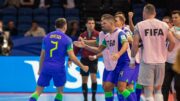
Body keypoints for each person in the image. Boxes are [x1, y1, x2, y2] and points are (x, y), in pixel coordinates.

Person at [75, 14, 135, 101]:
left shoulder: (120, 33)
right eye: (101, 23)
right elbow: (99, 49)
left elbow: (125, 44)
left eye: (104, 23)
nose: (101, 25)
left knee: (121, 88)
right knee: (107, 87)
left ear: (111, 23)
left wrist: (118, 54)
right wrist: (84, 46)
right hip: (114, 64)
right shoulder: (106, 36)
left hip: (125, 63)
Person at [29, 18, 88, 101]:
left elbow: (42, 56)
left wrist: (40, 69)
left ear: (55, 26)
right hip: (58, 68)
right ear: (65, 26)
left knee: (38, 91)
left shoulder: (46, 37)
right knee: (59, 92)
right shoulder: (67, 39)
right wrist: (82, 66)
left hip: (46, 67)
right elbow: (72, 57)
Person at [130, 4, 175, 101]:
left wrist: (132, 60)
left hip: (147, 61)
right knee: (158, 89)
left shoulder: (140, 25)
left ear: (144, 13)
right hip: (161, 62)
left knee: (148, 90)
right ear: (154, 13)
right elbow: (172, 42)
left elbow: (135, 45)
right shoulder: (164, 25)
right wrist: (167, 52)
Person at [69, 17, 99, 101]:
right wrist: (70, 59)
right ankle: (85, 98)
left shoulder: (98, 34)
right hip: (84, 59)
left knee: (93, 77)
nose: (91, 25)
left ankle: (93, 97)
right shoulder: (82, 35)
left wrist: (97, 56)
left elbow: (101, 47)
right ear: (86, 24)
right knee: (84, 80)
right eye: (89, 23)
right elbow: (76, 49)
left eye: (93, 23)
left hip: (93, 59)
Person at [162, 10, 180, 101]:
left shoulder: (171, 31)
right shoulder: (167, 31)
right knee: (164, 86)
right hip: (167, 62)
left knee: (178, 86)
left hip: (178, 63)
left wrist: (172, 32)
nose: (174, 19)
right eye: (173, 18)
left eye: (176, 17)